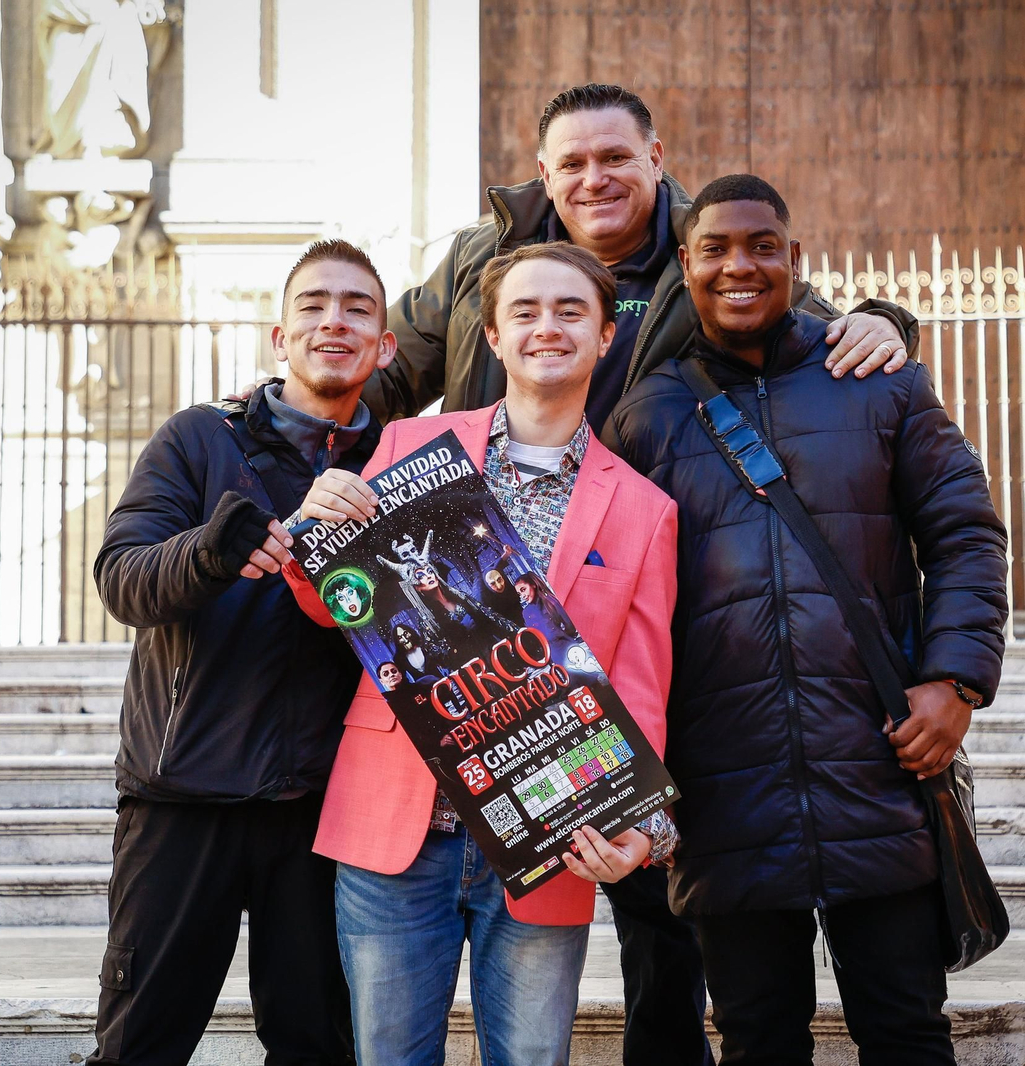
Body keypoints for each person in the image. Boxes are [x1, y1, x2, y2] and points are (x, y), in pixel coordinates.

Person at [365, 84, 925, 1064]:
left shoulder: (708, 249)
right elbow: (384, 376)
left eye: (614, 158)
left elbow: (811, 324)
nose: (594, 178)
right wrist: (290, 438)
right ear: (543, 174)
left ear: (657, 158)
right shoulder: (476, 260)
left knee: (665, 927)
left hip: (651, 602)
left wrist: (886, 319)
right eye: (572, 162)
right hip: (495, 634)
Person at [606, 175, 1009, 1065]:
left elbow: (966, 533)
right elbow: (615, 606)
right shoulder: (647, 418)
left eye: (761, 246)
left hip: (878, 762)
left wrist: (956, 681)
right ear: (686, 264)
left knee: (906, 1030)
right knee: (757, 1041)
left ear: (795, 259)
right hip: (723, 784)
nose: (738, 266)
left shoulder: (879, 383)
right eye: (715, 249)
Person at [287, 241, 680, 1065]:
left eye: (570, 310)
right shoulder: (410, 446)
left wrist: (642, 824)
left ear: (606, 335)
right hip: (396, 829)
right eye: (525, 311)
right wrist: (311, 531)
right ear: (493, 338)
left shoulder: (645, 511)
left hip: (549, 837)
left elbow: (638, 687)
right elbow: (334, 606)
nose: (548, 327)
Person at [87, 238, 400, 1066]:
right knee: (139, 1045)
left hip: (322, 811)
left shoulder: (399, 463)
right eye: (313, 305)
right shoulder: (198, 438)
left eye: (357, 308)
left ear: (386, 344)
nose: (334, 321)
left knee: (316, 1047)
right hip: (185, 793)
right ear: (279, 335)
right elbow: (121, 579)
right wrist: (207, 553)